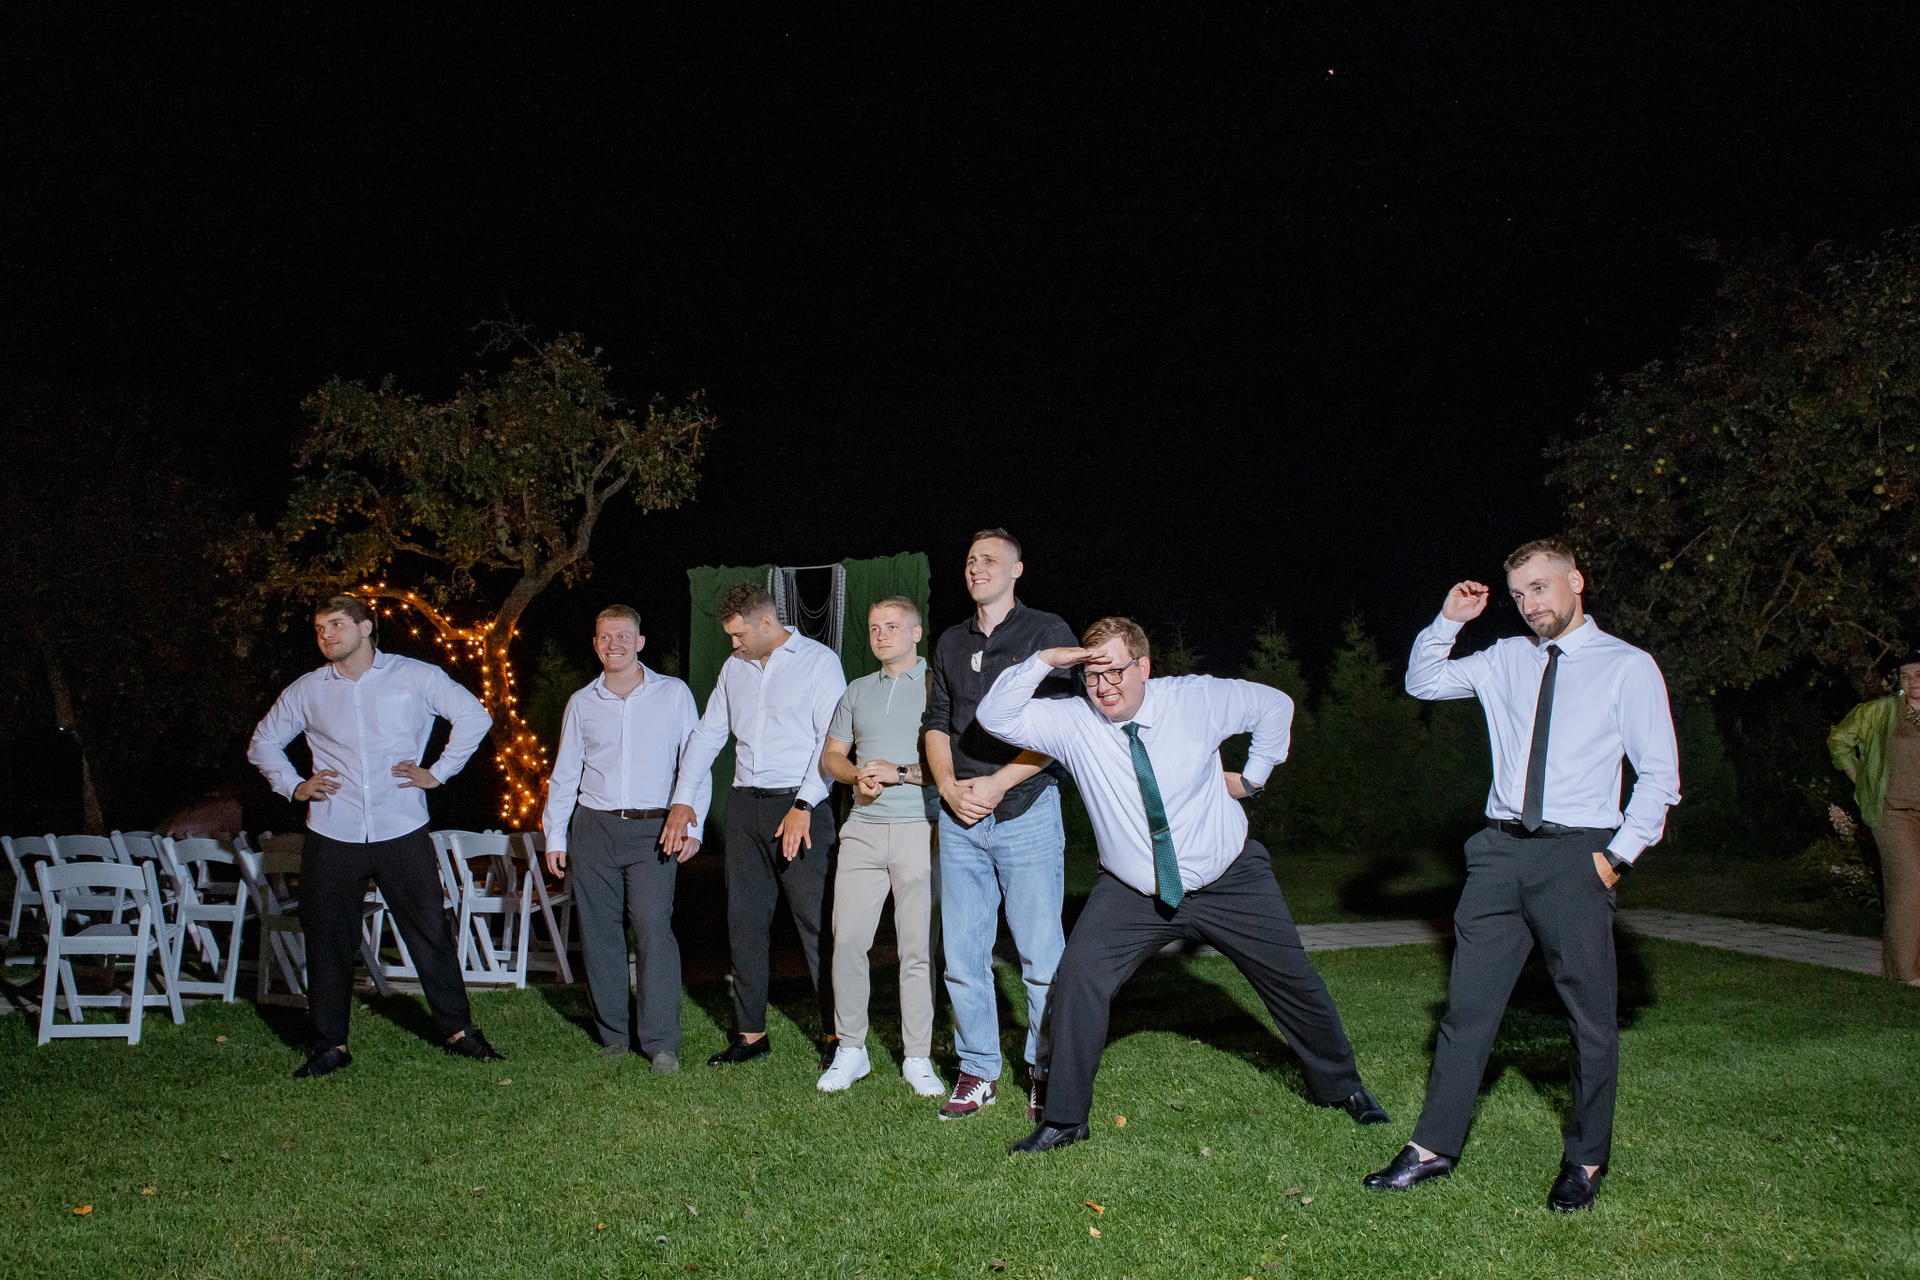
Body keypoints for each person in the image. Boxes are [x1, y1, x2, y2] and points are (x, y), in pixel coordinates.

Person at [980, 616, 1390, 1155]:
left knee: (1293, 980)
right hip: (1132, 891)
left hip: (1230, 879)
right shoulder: (1072, 722)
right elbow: (995, 715)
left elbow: (1274, 705)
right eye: (1092, 674)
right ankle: (1064, 1119)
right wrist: (1046, 661)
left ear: (1144, 667)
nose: (1103, 686)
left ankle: (1343, 1087)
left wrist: (1254, 777)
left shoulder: (1195, 699)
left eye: (1115, 671)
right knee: (1078, 979)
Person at [1365, 538, 1680, 1212]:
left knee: (1589, 1020)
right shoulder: (1506, 658)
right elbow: (1423, 682)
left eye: (1540, 587)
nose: (1530, 604)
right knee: (1467, 1010)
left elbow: (1659, 777)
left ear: (1575, 581)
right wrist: (1448, 621)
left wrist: (1615, 858)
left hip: (1578, 856)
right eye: (1519, 594)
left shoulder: (1627, 666)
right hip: (1499, 855)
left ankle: (1586, 1160)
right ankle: (1432, 1147)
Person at [248, 594, 503, 1078]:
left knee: (430, 932)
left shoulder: (413, 676)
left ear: (365, 628)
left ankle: (460, 1032)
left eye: (336, 625)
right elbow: (263, 743)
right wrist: (295, 785)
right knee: (327, 938)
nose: (326, 635)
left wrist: (438, 772)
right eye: (320, 628)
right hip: (332, 830)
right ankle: (330, 1045)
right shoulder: (308, 690)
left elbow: (475, 716)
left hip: (401, 826)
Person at [924, 528, 1078, 1121]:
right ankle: (978, 1071)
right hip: (961, 814)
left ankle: (1045, 1071)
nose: (976, 567)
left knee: (1041, 956)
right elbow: (937, 722)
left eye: (989, 559)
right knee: (963, 956)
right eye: (970, 560)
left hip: (1025, 809)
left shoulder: (1046, 632)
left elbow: (1062, 727)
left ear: (1017, 569)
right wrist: (947, 787)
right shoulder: (949, 641)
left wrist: (997, 785)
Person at [663, 582, 847, 1067]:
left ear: (766, 622)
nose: (734, 643)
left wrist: (803, 805)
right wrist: (682, 801)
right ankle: (751, 1034)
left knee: (817, 924)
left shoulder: (819, 662)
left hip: (802, 805)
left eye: (739, 634)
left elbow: (829, 743)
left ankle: (839, 1037)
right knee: (743, 922)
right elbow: (708, 735)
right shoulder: (734, 668)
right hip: (745, 806)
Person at [541, 605, 712, 1073]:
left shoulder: (672, 693)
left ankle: (661, 1043)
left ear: (639, 642)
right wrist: (555, 836)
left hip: (654, 829)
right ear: (595, 644)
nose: (613, 644)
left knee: (654, 929)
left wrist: (693, 824)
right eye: (604, 637)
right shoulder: (582, 702)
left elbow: (695, 762)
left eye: (622, 636)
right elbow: (565, 773)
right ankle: (614, 1036)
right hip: (593, 827)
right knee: (599, 933)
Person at [815, 597, 945, 1096]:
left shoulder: (937, 686)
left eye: (892, 626)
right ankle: (852, 1049)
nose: (881, 635)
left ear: (916, 633)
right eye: (874, 628)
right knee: (848, 941)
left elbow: (953, 762)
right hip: (862, 829)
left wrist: (899, 774)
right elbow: (832, 755)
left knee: (917, 950)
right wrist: (856, 776)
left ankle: (917, 1056)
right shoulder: (857, 690)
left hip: (919, 828)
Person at [1828, 647, 1920, 985]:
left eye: (1919, 675)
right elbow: (1839, 739)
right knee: (1909, 883)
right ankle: (1904, 972)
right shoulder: (1880, 712)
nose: (1912, 681)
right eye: (1905, 675)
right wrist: (1860, 777)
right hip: (1893, 812)